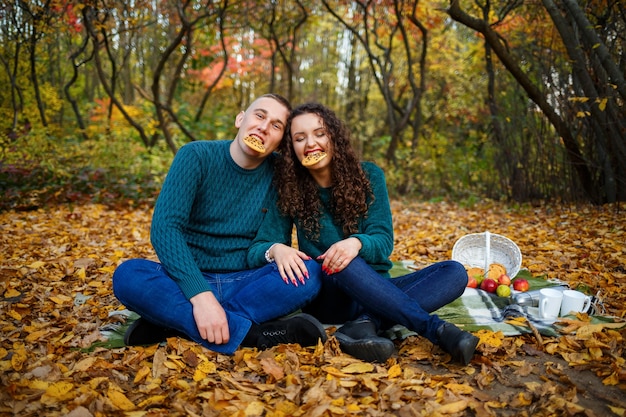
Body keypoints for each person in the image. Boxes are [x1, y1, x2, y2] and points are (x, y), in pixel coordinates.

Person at [248, 102, 479, 365]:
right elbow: (260, 246)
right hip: (330, 295)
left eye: (319, 133)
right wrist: (277, 249)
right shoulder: (290, 189)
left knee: (454, 273)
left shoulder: (369, 175)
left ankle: (364, 324)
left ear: (333, 136)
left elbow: (382, 241)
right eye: (300, 138)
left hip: (377, 288)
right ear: (292, 150)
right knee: (340, 261)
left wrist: (357, 243)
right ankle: (436, 330)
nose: (311, 143)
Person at [112, 94, 327, 355]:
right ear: (240, 119)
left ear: (280, 141)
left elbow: (269, 243)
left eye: (276, 125)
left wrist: (277, 249)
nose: (264, 126)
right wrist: (200, 297)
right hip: (187, 277)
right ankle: (252, 334)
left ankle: (177, 324)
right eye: (259, 115)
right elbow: (165, 229)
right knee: (128, 275)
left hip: (246, 280)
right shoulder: (196, 156)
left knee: (310, 273)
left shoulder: (282, 175)